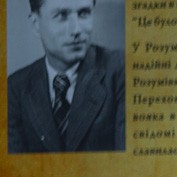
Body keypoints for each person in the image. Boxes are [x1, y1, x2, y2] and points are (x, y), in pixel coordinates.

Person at [7, 0, 125, 153]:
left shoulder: (120, 70)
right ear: (36, 24)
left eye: (84, 13)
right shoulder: (15, 88)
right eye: (62, 15)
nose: (76, 29)